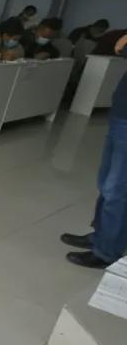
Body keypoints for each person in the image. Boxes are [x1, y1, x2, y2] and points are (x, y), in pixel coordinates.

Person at [61, 33, 127, 268]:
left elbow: (120, 46)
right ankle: (100, 236)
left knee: (117, 190)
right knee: (106, 184)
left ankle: (107, 251)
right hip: (121, 116)